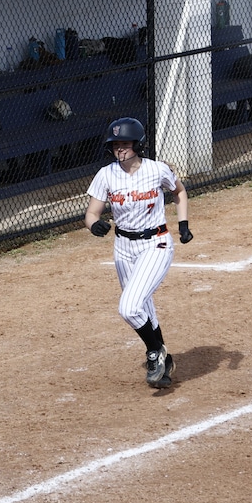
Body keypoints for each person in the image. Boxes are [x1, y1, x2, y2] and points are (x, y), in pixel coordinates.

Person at [84, 117, 193, 389]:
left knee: (129, 306)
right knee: (143, 308)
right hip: (123, 248)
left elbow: (179, 191)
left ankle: (154, 352)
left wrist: (183, 224)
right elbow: (92, 212)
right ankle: (164, 360)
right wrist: (93, 224)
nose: (120, 148)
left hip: (155, 243)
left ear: (138, 144)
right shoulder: (106, 174)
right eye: (116, 143)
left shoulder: (157, 170)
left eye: (125, 143)